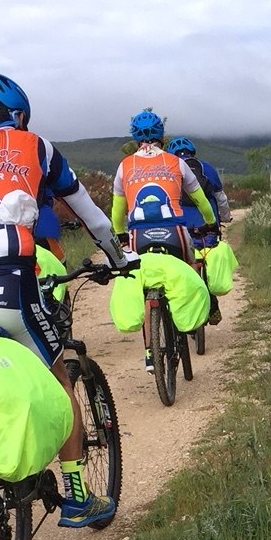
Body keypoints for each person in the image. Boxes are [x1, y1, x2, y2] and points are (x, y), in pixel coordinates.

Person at [0, 70, 137, 528]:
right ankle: (79, 497)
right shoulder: (36, 146)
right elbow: (90, 213)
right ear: (18, 115)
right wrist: (119, 257)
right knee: (58, 375)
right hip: (7, 288)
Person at [110, 109, 218, 369]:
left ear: (135, 137)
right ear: (162, 136)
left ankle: (150, 352)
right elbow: (200, 199)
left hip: (138, 234)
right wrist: (210, 222)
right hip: (175, 232)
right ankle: (198, 310)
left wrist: (121, 235)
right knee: (189, 266)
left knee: (145, 282)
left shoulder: (125, 166)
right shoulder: (175, 162)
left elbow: (116, 211)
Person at [165, 135, 231, 324]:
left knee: (180, 265)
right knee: (207, 261)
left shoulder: (168, 170)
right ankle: (211, 301)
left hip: (180, 228)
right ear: (193, 152)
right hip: (207, 228)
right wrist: (224, 217)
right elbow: (221, 199)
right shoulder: (207, 169)